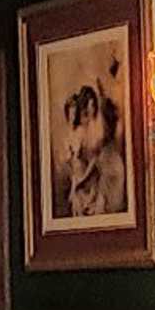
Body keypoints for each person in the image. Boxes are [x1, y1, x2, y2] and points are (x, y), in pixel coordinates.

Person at [53, 79, 127, 221]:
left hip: (100, 172)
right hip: (86, 173)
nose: (90, 109)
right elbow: (74, 159)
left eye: (93, 104)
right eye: (88, 105)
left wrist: (83, 179)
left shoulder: (98, 127)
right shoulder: (80, 131)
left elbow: (95, 158)